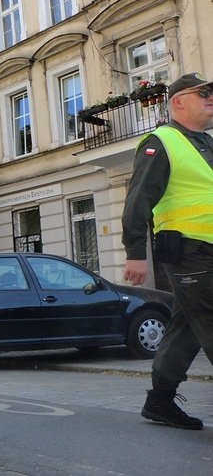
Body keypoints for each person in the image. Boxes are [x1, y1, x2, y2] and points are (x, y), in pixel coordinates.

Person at [122, 72, 213, 430]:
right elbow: (138, 200)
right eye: (202, 92)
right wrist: (135, 252)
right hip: (189, 252)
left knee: (188, 325)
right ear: (178, 101)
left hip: (208, 250)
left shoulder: (206, 143)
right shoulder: (161, 142)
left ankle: (160, 401)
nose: (210, 97)